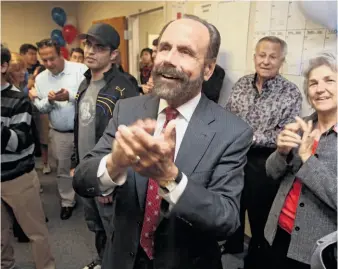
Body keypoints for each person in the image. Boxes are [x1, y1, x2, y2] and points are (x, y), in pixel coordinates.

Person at [73, 15, 253, 269]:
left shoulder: (232, 131)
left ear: (208, 69)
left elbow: (226, 219)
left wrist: (171, 179)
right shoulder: (127, 110)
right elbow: (82, 179)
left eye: (186, 52)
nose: (169, 59)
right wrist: (114, 164)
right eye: (164, 48)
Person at [224, 36, 302, 268]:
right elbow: (229, 117)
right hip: (235, 160)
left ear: (281, 61)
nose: (266, 61)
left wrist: (248, 137)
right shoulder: (241, 84)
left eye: (273, 56)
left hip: (266, 164)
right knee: (232, 210)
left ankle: (256, 260)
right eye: (262, 55)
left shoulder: (290, 93)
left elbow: (285, 135)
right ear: (255, 57)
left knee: (261, 222)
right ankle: (231, 253)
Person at [72, 23, 139, 269]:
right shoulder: (84, 83)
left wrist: (111, 180)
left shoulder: (124, 87)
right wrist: (74, 162)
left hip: (110, 174)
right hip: (88, 167)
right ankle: (103, 260)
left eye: (99, 47)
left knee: (116, 230)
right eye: (88, 44)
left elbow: (130, 139)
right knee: (95, 224)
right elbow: (78, 125)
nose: (90, 51)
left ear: (113, 55)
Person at [264, 51, 337, 269]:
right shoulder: (302, 125)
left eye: (329, 80)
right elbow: (271, 173)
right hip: (278, 232)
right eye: (313, 83)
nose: (320, 89)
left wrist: (307, 158)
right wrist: (282, 152)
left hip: (316, 250)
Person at [1, 45, 55, 269]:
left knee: (36, 233)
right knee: (1, 237)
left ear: (3, 66)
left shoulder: (18, 99)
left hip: (17, 179)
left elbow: (19, 142)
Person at [30, 38, 88, 220]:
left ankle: (92, 201)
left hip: (85, 131)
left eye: (52, 58)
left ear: (61, 53)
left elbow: (91, 98)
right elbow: (40, 107)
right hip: (60, 133)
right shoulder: (40, 78)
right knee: (63, 171)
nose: (48, 63)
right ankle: (67, 202)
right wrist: (50, 101)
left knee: (89, 167)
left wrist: (69, 96)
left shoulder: (80, 70)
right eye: (44, 60)